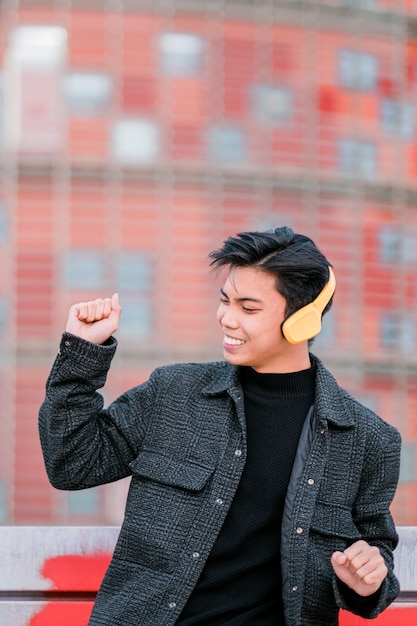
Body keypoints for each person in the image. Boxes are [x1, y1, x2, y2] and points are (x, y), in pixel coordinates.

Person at [39, 226, 401, 626]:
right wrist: (82, 356)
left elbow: (375, 558)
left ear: (303, 320)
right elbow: (71, 464)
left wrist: (366, 580)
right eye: (225, 301)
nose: (227, 319)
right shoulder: (173, 392)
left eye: (248, 309)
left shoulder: (368, 440)